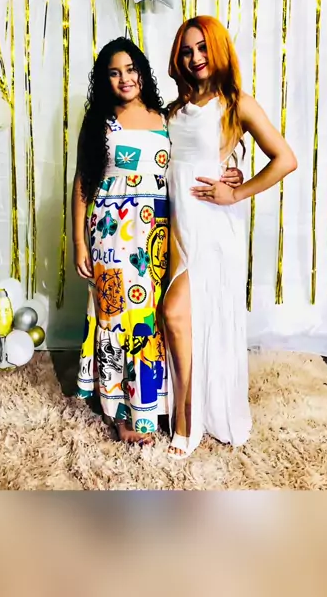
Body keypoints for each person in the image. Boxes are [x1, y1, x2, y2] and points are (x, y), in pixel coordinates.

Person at [73, 37, 243, 446]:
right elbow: (82, 183)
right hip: (111, 232)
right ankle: (120, 412)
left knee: (152, 318)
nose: (124, 79)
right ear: (104, 80)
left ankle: (154, 405)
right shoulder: (100, 121)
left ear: (142, 72)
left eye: (131, 70)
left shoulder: (166, 116)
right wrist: (79, 243)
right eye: (114, 73)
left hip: (159, 232)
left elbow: (198, 155)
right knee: (117, 316)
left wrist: (233, 173)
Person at [163, 15, 298, 459]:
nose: (195, 57)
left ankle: (189, 420)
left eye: (202, 47)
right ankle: (183, 407)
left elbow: (285, 159)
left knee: (187, 315)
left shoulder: (237, 104)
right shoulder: (173, 111)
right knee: (180, 319)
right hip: (174, 226)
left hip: (212, 227)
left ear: (218, 49)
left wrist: (236, 190)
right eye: (187, 51)